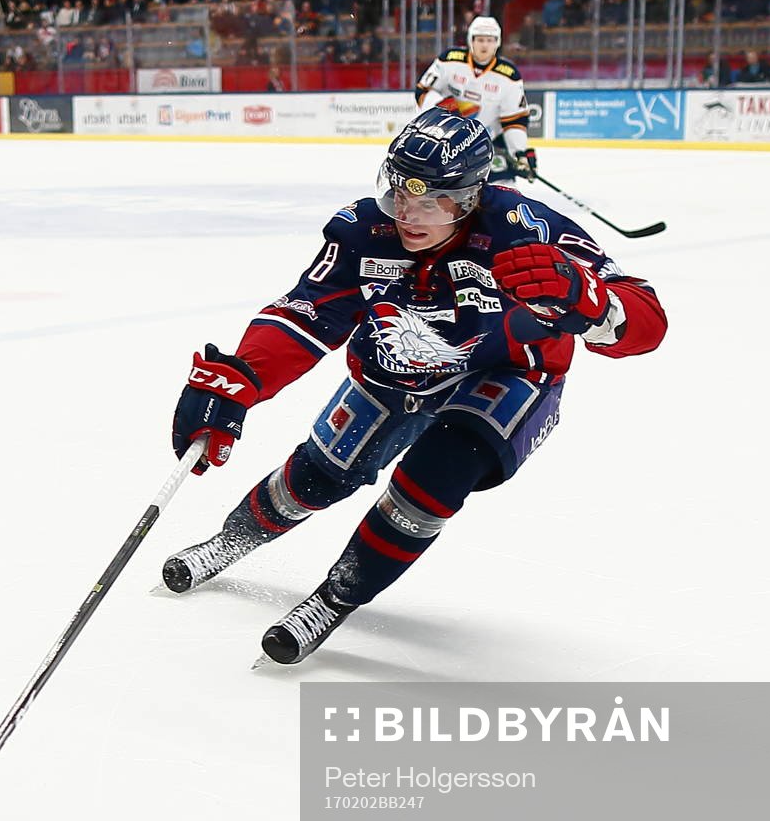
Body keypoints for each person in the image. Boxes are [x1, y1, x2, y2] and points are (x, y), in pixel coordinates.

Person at [160, 110, 667, 664]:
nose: (408, 213)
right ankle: (231, 542)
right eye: (400, 193)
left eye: (432, 201)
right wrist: (240, 377)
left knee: (435, 477)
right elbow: (305, 316)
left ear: (472, 195)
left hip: (505, 372)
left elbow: (645, 320)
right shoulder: (360, 231)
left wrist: (594, 301)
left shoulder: (525, 226)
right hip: (395, 366)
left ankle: (335, 598)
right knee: (319, 475)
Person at [412, 15, 536, 183]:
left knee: (500, 192)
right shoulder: (449, 60)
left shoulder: (509, 76)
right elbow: (423, 90)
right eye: (480, 39)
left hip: (488, 144)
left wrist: (519, 153)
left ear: (497, 43)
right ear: (471, 40)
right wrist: (441, 108)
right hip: (448, 141)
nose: (485, 45)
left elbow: (514, 120)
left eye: (490, 40)